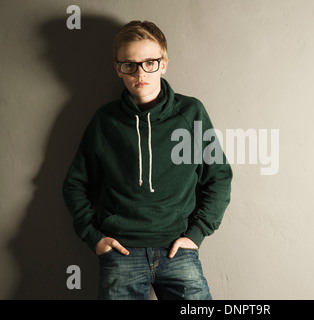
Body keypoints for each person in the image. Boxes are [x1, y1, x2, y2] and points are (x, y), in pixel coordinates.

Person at [62, 20, 232, 300]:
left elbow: (219, 176)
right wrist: (94, 238)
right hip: (121, 254)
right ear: (118, 68)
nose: (140, 72)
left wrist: (196, 234)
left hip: (178, 250)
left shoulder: (191, 113)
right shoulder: (105, 122)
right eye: (130, 65)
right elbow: (75, 184)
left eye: (149, 62)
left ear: (163, 63)